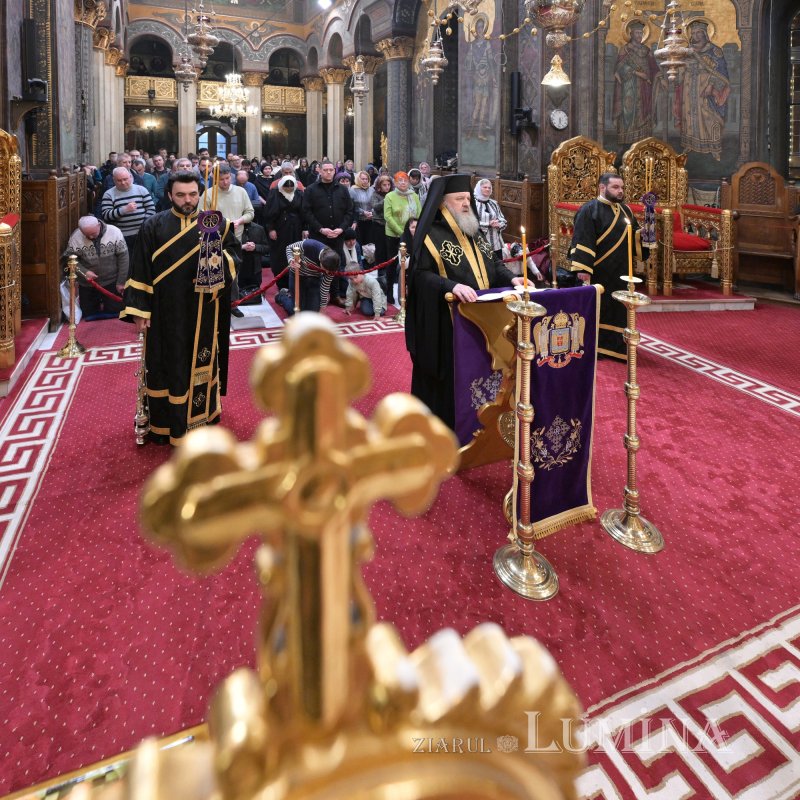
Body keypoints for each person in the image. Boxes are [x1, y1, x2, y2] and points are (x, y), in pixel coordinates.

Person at [120, 172, 240, 445]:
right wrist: (140, 311)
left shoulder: (216, 225)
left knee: (200, 360)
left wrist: (216, 258)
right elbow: (140, 268)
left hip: (203, 310)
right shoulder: (153, 225)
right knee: (165, 363)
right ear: (169, 195)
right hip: (164, 312)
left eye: (193, 195)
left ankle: (200, 417)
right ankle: (166, 424)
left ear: (200, 194)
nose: (188, 200)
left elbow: (235, 258)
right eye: (181, 195)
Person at [405, 174, 523, 429]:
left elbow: (493, 265)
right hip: (445, 320)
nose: (466, 204)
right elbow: (419, 276)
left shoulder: (473, 230)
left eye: (467, 198)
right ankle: (446, 423)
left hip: (483, 318)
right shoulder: (429, 235)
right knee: (452, 375)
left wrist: (513, 280)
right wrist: (451, 286)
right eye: (459, 199)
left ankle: (479, 421)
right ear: (442, 204)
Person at [568, 172, 648, 361]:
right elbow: (582, 239)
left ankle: (618, 347)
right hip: (598, 270)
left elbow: (633, 237)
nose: (620, 191)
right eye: (615, 187)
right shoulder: (589, 210)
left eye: (621, 187)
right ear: (602, 188)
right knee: (600, 308)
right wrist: (583, 270)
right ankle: (596, 347)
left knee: (619, 309)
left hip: (621, 270)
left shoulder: (626, 210)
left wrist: (644, 234)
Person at [673, 19, 730, 161]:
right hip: (688, 87)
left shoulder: (715, 51)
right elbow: (679, 67)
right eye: (694, 33)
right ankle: (690, 144)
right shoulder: (687, 51)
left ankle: (713, 147)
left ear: (705, 34)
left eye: (699, 33)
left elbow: (721, 73)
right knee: (689, 115)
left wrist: (711, 86)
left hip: (706, 89)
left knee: (708, 116)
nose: (696, 36)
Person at [303, 160, 354, 304]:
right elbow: (306, 212)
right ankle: (317, 296)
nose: (328, 172)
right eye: (325, 170)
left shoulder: (343, 189)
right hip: (319, 235)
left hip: (337, 235)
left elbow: (349, 211)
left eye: (331, 170)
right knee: (317, 265)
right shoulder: (311, 189)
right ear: (319, 171)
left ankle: (335, 295)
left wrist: (341, 229)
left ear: (334, 171)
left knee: (335, 264)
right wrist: (321, 229)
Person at [63, 216, 128, 320]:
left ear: (99, 225)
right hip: (88, 283)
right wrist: (85, 272)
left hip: (111, 280)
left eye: (93, 234)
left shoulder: (114, 231)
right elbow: (70, 260)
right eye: (87, 235)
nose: (92, 237)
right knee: (88, 313)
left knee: (116, 311)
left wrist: (121, 282)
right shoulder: (76, 236)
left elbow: (124, 258)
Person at [213, 163, 255, 316]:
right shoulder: (209, 194)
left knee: (233, 274)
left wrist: (240, 220)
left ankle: (233, 304)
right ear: (214, 178)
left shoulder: (240, 192)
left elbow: (250, 212)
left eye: (227, 178)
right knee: (216, 273)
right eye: (221, 179)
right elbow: (201, 217)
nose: (225, 182)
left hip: (235, 239)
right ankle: (216, 303)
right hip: (215, 240)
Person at [612, 20, 661, 145]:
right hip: (629, 86)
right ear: (631, 34)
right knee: (628, 111)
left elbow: (654, 68)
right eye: (637, 33)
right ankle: (626, 142)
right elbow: (618, 69)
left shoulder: (646, 50)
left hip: (645, 87)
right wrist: (636, 73)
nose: (639, 35)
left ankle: (643, 141)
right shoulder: (625, 49)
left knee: (644, 111)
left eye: (641, 33)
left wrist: (660, 77)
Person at [275, 239, 341, 315]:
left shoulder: (333, 265)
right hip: (297, 276)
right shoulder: (310, 245)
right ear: (321, 261)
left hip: (314, 279)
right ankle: (282, 296)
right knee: (296, 312)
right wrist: (291, 260)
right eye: (325, 270)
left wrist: (322, 308)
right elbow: (289, 248)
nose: (327, 273)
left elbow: (325, 286)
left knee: (312, 314)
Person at [384, 171, 421, 305]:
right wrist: (402, 232)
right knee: (393, 265)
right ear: (395, 182)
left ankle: (409, 292)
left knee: (411, 264)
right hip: (394, 235)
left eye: (405, 180)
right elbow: (387, 216)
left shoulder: (414, 195)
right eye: (400, 180)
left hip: (412, 235)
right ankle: (389, 293)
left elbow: (419, 214)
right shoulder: (390, 196)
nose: (403, 182)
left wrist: (416, 231)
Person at [263, 174, 305, 291]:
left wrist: (305, 228)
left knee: (296, 252)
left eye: (291, 188)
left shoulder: (299, 194)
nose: (289, 189)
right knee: (280, 254)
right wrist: (271, 229)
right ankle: (282, 283)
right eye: (286, 188)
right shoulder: (274, 194)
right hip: (280, 228)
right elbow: (268, 214)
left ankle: (294, 280)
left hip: (296, 228)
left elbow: (304, 212)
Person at [100, 167, 156, 252]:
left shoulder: (141, 190)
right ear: (114, 180)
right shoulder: (109, 194)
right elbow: (106, 215)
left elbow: (151, 209)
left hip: (142, 233)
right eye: (119, 180)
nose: (123, 182)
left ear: (130, 177)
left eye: (125, 179)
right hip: (121, 235)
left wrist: (144, 226)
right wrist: (124, 210)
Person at [473, 178, 507, 264]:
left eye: (489, 188)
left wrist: (499, 224)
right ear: (479, 188)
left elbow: (503, 219)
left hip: (495, 242)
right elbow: (470, 223)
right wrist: (488, 224)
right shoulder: (473, 204)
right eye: (485, 187)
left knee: (498, 265)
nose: (487, 189)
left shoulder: (493, 203)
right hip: (480, 241)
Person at [239, 220, 269, 300]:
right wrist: (242, 247)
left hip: (255, 270)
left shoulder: (259, 229)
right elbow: (227, 248)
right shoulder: (234, 228)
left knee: (255, 297)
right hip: (239, 270)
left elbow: (266, 248)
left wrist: (255, 247)